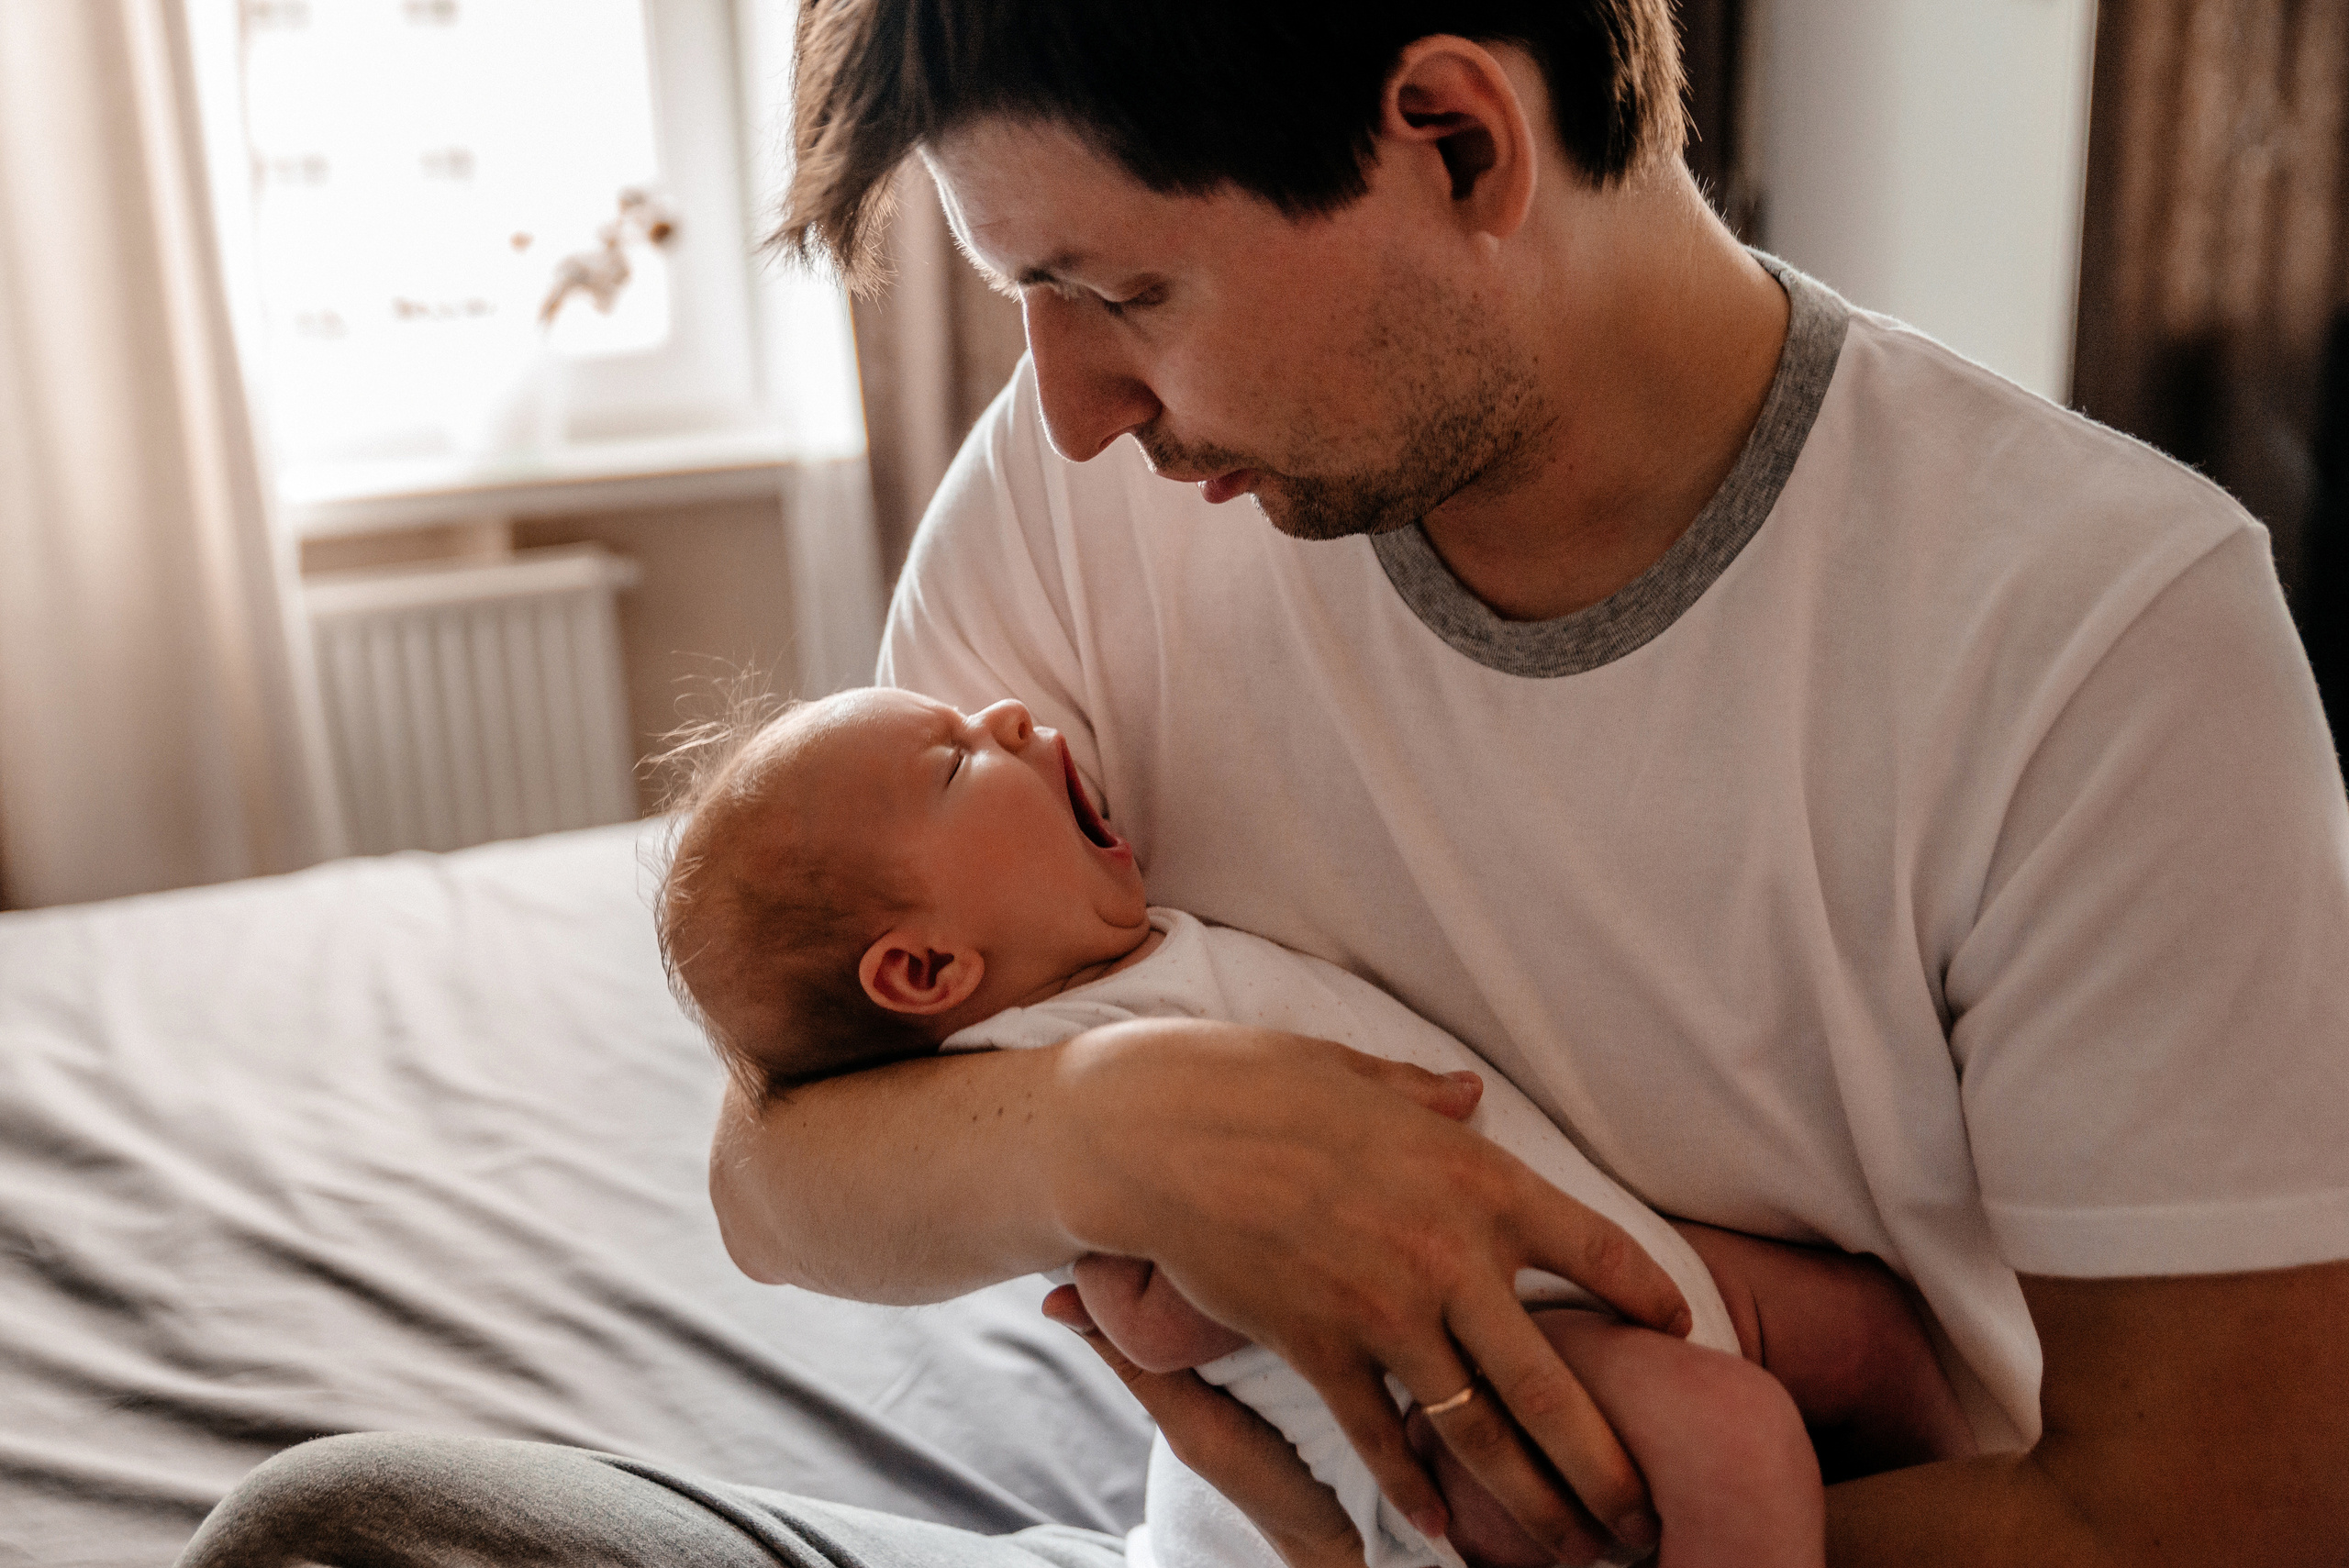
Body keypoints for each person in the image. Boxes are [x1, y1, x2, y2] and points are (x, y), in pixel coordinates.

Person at [180, 3, 2349, 1565]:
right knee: (342, 1531)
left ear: (1455, 140)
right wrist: (1121, 1131)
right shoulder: (1087, 496)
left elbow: (2214, 1517)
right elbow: (780, 1175)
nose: (1068, 406)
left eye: (1115, 289)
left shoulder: (2094, 643)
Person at [652, 682, 1976, 1568]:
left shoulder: (1133, 949)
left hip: (1587, 1266)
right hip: (1456, 1384)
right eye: (956, 758)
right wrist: (1185, 1277)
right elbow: (1137, 1310)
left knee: (1874, 1338)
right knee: (1735, 1442)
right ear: (925, 969)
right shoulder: (1029, 1051)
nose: (1004, 711)